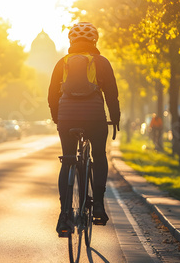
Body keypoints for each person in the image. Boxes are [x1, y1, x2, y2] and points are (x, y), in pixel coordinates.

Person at [48, 22, 120, 235]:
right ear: (94, 41)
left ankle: (64, 215)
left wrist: (57, 118)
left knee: (68, 159)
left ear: (71, 41)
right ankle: (98, 204)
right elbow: (112, 95)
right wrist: (114, 119)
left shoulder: (62, 63)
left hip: (67, 118)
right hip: (95, 118)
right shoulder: (102, 62)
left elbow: (52, 95)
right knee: (99, 156)